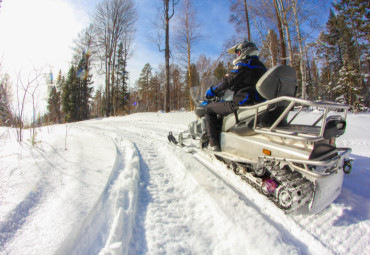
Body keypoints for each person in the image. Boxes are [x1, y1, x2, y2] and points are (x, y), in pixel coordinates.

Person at [204, 40, 267, 151]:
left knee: (209, 108)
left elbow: (228, 80)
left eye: (237, 52)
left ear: (244, 51)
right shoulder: (261, 67)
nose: (237, 55)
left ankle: (213, 143)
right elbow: (248, 83)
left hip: (241, 103)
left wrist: (213, 91)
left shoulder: (244, 64)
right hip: (257, 103)